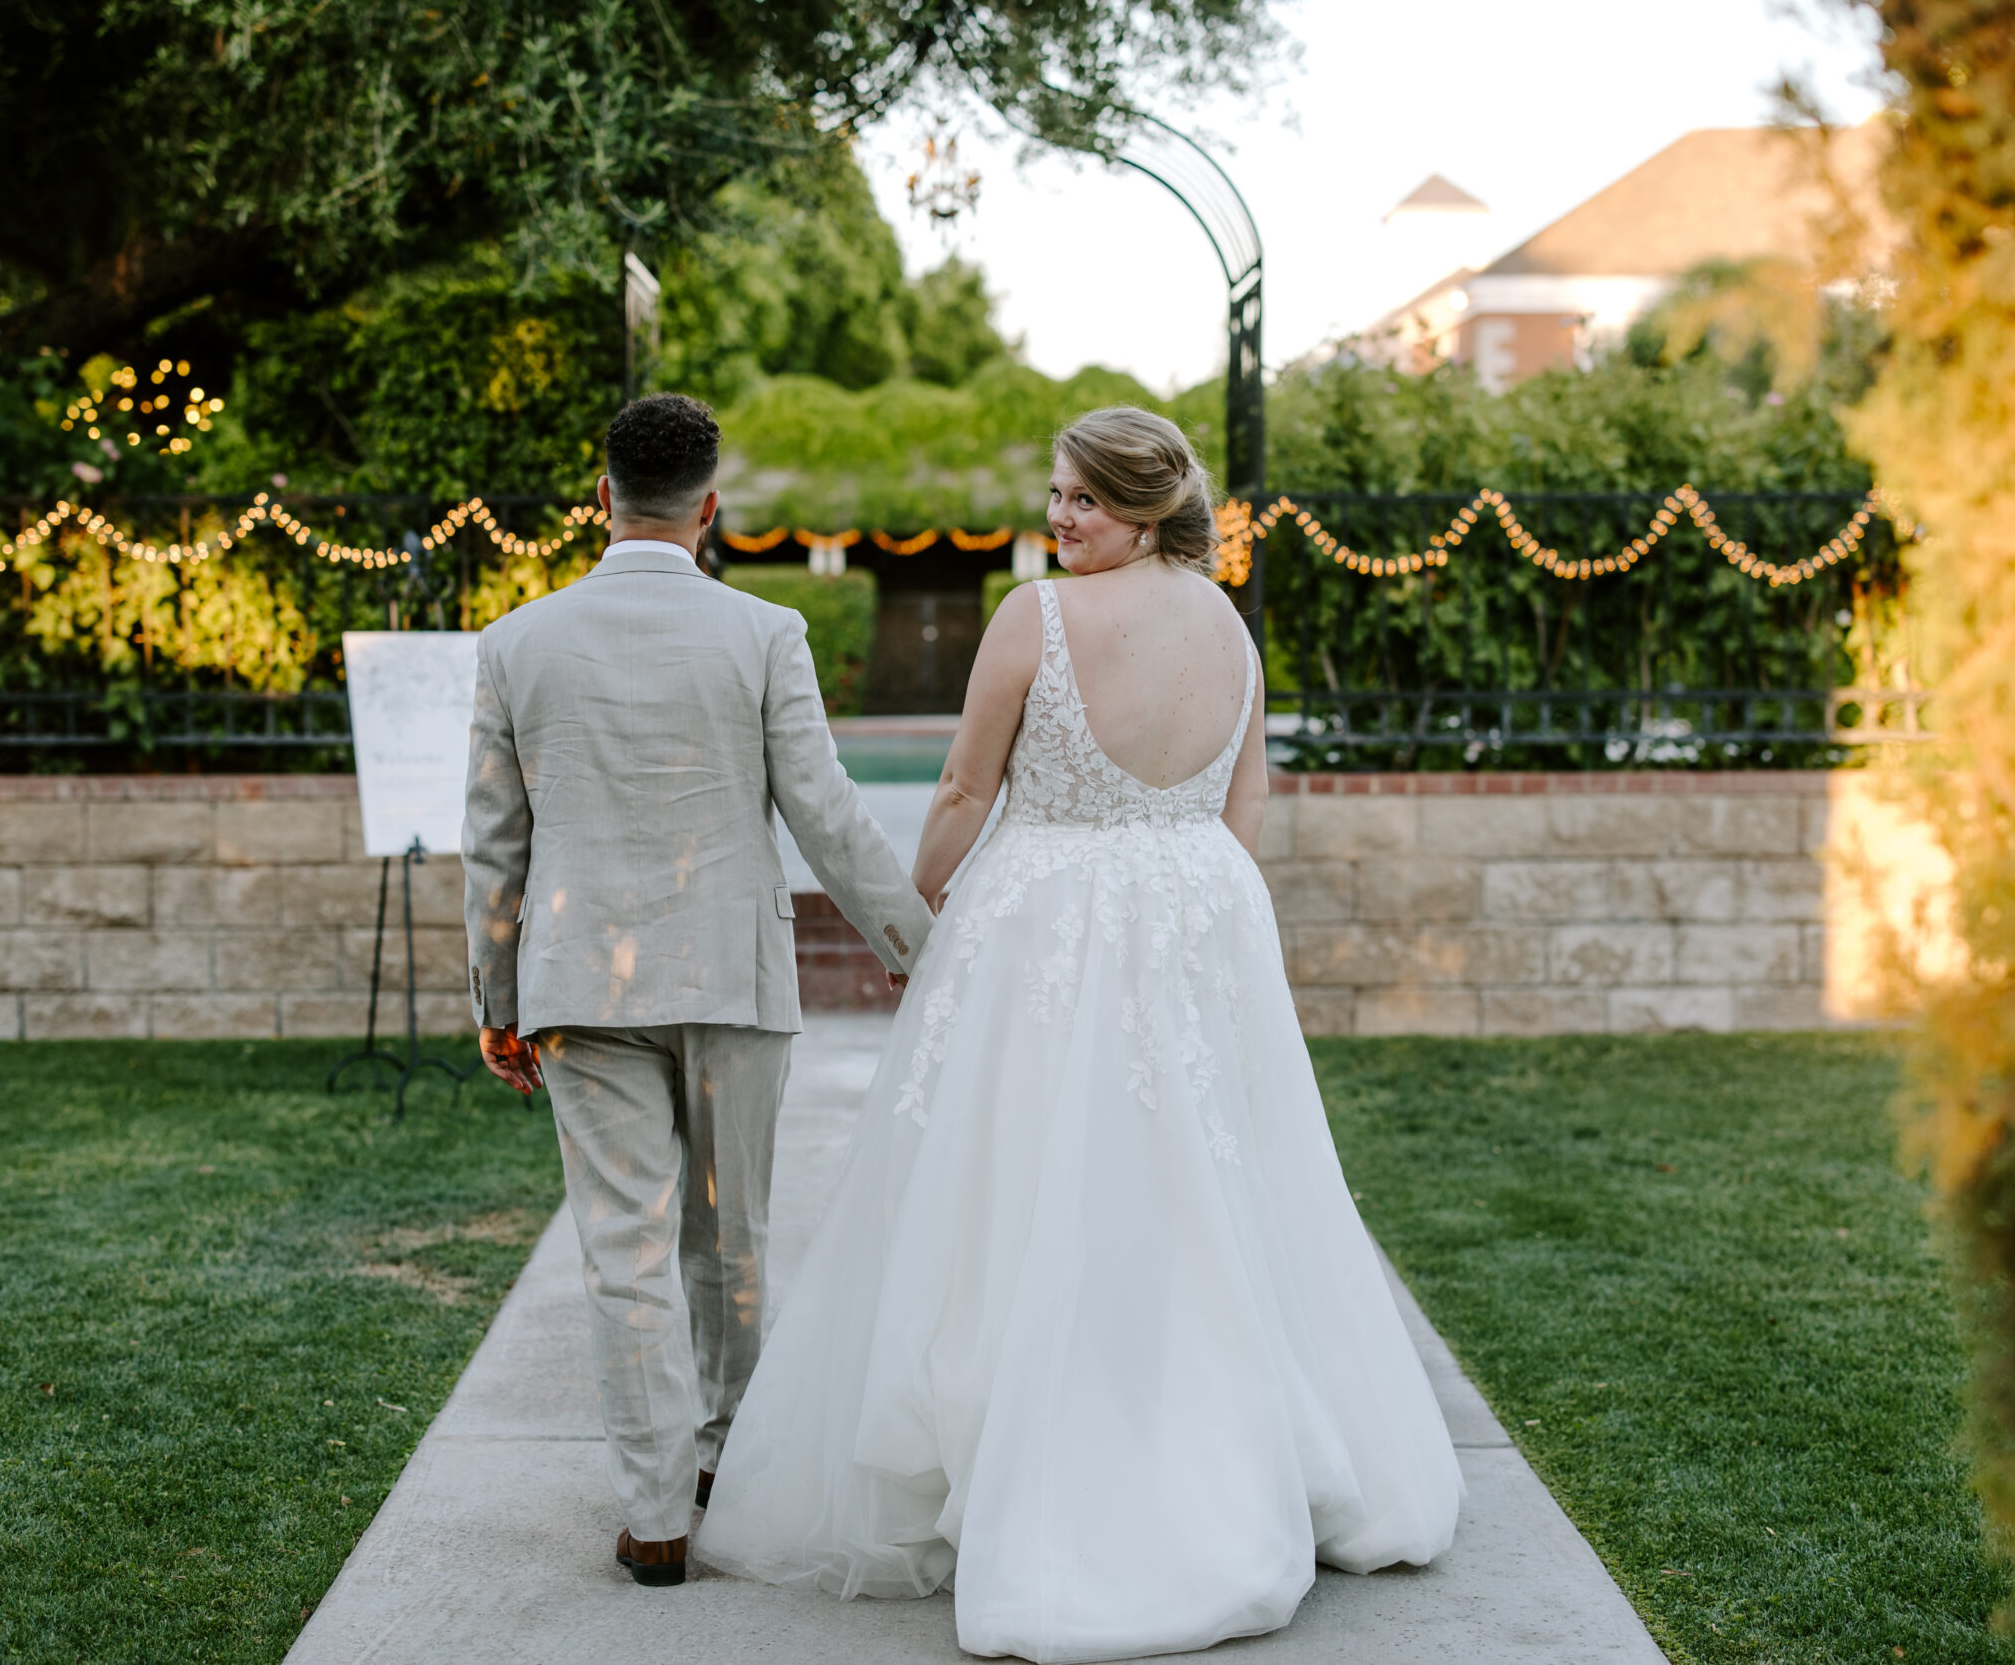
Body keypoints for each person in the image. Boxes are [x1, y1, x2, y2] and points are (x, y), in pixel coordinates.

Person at [696, 406, 1463, 1661]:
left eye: (1083, 503)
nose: (1058, 520)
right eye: (1054, 495)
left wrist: (923, 904)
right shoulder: (1226, 624)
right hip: (1198, 907)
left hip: (1043, 913)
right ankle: (1211, 1435)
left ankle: (1046, 1465)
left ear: (1146, 509)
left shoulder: (1035, 621)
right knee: (1191, 1179)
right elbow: (1244, 797)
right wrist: (1195, 909)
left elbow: (961, 788)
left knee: (1025, 1174)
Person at [461, 392, 933, 1589]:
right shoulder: (765, 630)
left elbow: (493, 845)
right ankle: (727, 1460)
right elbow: (824, 809)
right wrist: (915, 941)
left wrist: (496, 996)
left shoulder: (515, 640)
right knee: (733, 1241)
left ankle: (655, 1513)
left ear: (599, 497)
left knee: (621, 1251)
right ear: (710, 507)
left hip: (578, 984)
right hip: (732, 973)